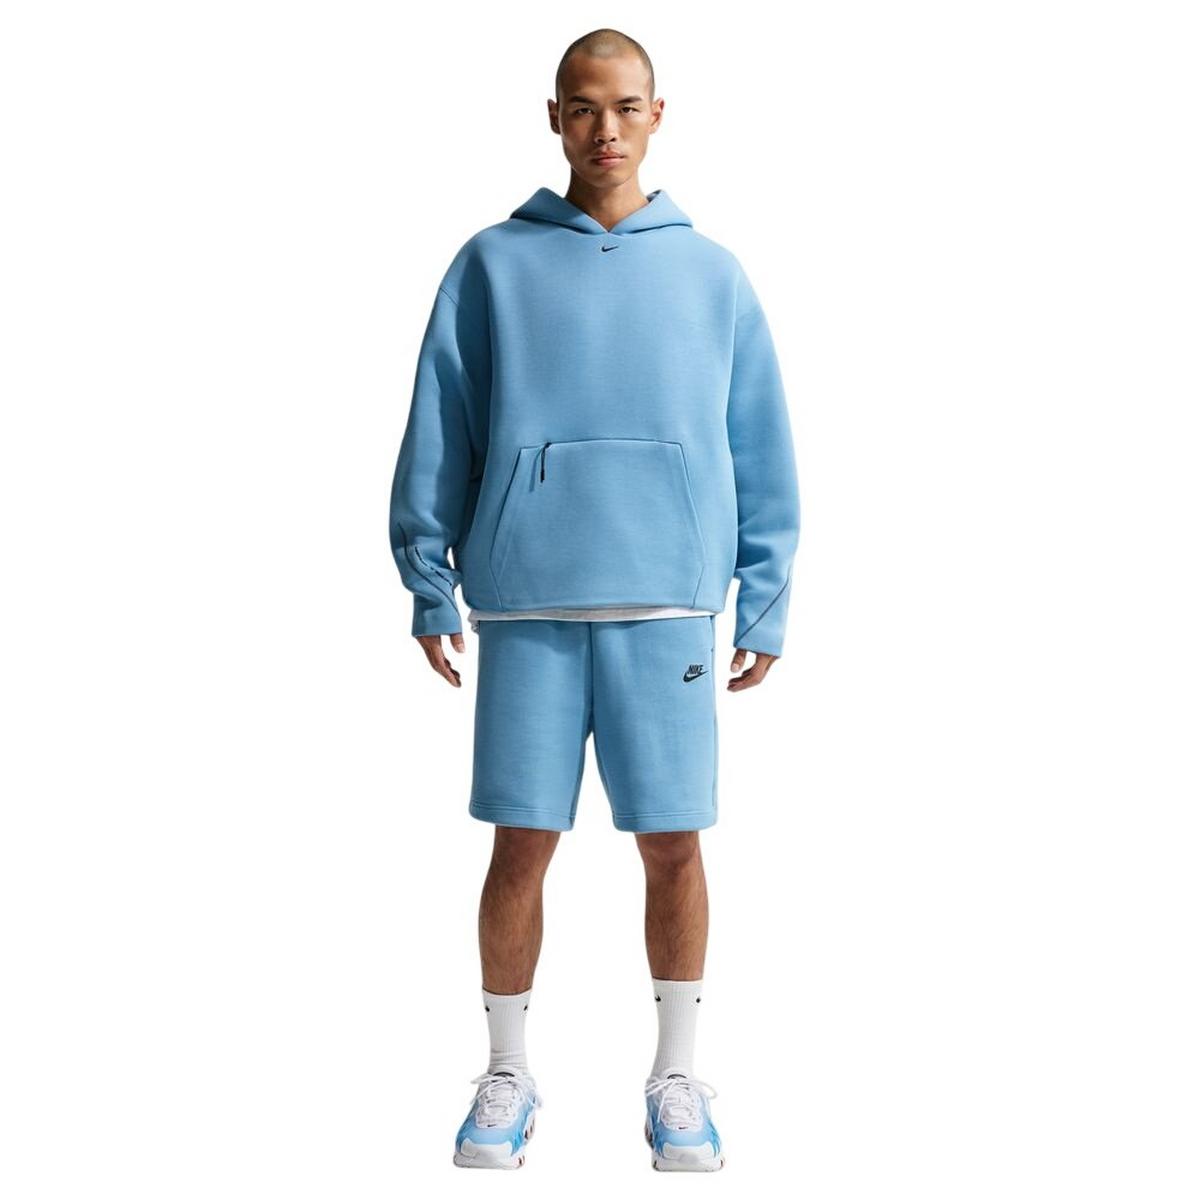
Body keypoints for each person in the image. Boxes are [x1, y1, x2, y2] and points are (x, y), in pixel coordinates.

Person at [388, 28, 800, 1173]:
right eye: (582, 107)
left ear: (658, 114)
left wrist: (764, 597)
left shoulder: (713, 275)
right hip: (526, 604)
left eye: (624, 107)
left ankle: (677, 1075)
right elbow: (440, 424)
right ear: (555, 118)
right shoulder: (490, 264)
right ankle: (506, 1071)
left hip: (667, 605)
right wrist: (428, 579)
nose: (604, 129)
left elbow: (760, 443)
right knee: (521, 842)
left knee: (673, 844)